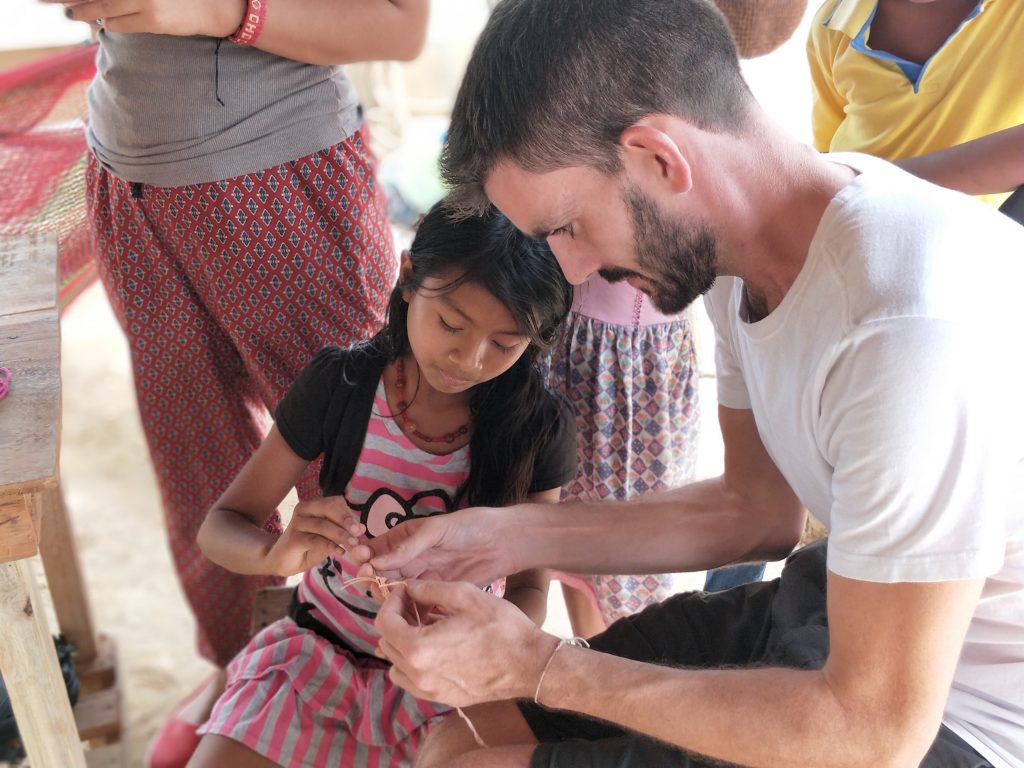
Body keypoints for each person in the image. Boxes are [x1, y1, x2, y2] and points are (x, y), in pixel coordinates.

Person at [346, 1, 1024, 766]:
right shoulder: (753, 255)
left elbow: (873, 732)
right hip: (836, 613)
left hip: (957, 720)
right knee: (461, 737)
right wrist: (501, 536)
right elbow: (756, 509)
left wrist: (542, 663)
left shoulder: (903, 329)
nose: (568, 273)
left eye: (565, 228)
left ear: (659, 160)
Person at [50, 0, 429, 763]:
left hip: (284, 180)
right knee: (198, 467)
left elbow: (402, 27)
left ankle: (398, 688)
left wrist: (218, 12)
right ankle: (247, 671)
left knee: (361, 467)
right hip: (128, 177)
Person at [188, 201, 578, 767]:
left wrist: (481, 637)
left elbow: (530, 590)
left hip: (451, 678)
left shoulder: (537, 429)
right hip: (319, 648)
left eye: (506, 342)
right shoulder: (341, 386)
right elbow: (220, 528)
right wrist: (275, 555)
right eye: (451, 324)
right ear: (406, 279)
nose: (469, 358)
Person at [539, 274, 700, 636]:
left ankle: (617, 663)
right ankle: (590, 647)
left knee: (636, 542)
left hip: (644, 364)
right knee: (567, 514)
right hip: (572, 341)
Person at [808, 0, 1024, 208]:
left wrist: (866, 189)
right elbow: (826, 153)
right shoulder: (832, 21)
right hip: (851, 230)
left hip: (966, 238)